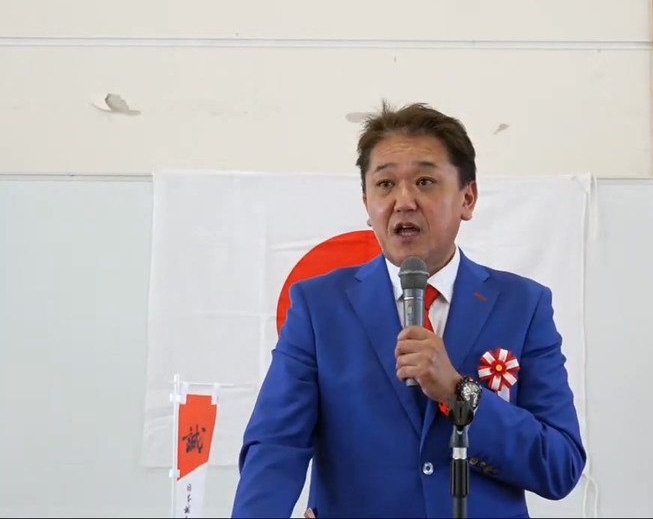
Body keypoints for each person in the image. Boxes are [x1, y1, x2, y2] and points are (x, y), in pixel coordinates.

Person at [231, 101, 586, 518]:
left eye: (424, 181)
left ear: (468, 198)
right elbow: (276, 446)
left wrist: (459, 393)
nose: (403, 201)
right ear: (367, 203)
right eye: (385, 184)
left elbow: (560, 465)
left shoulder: (522, 305)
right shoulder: (319, 306)